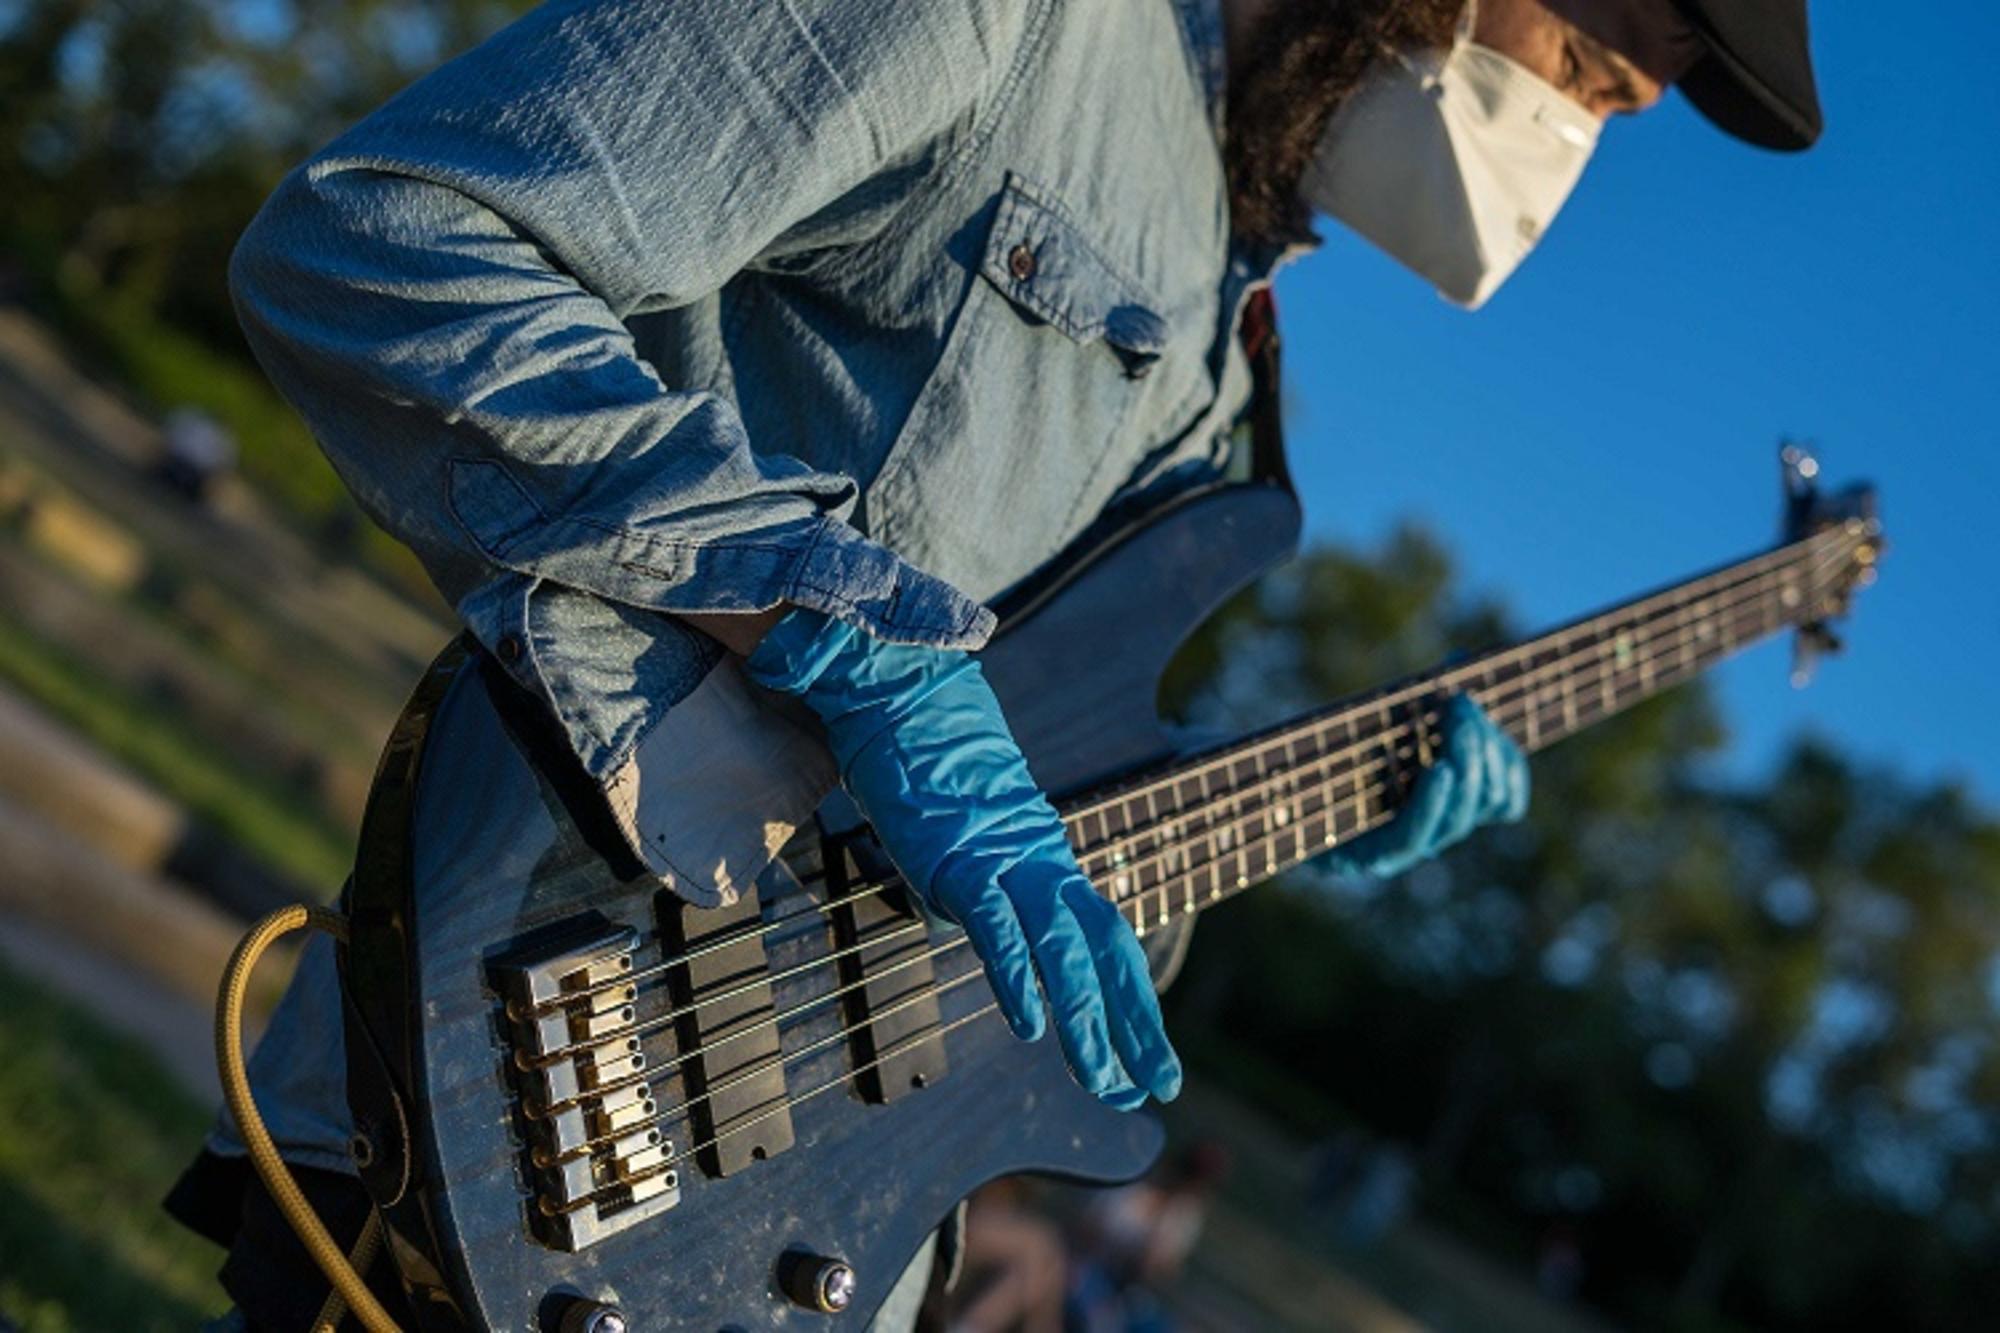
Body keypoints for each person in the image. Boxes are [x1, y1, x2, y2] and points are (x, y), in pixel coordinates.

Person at [166, 0, 1823, 1327]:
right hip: (515, 1076)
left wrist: (1270, 820)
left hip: (796, 1248)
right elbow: (385, 239)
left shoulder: (1235, 370)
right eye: (1597, 73)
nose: (1598, 129)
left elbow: (977, 897)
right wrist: (845, 640)